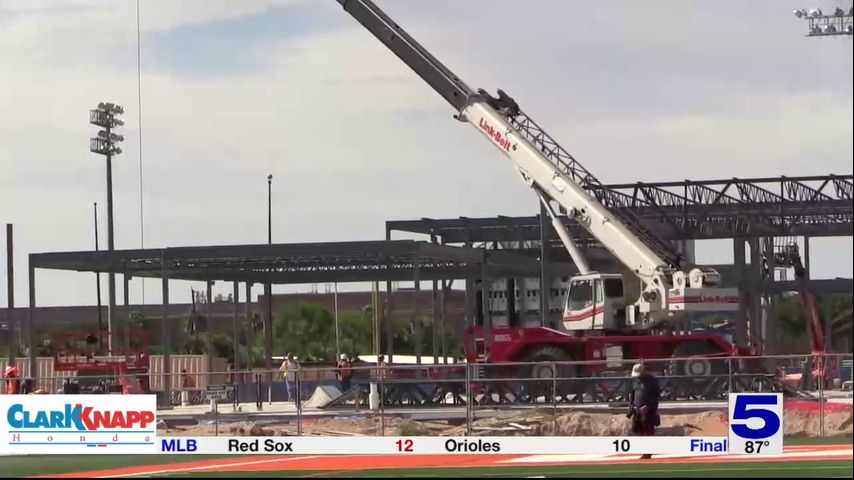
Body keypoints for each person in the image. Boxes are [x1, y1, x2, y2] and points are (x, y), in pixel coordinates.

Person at [627, 363, 661, 460]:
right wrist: (631, 409)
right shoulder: (635, 381)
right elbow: (632, 395)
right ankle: (644, 450)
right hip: (636, 411)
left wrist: (648, 406)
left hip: (648, 411)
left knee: (648, 431)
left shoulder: (653, 381)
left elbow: (656, 396)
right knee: (638, 431)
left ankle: (647, 453)